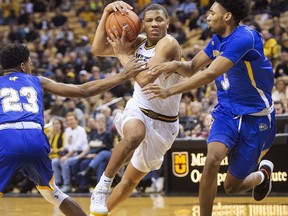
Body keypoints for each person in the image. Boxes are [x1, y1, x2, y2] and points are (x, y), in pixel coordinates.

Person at [142, 1, 276, 215]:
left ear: (227, 16)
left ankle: (263, 175)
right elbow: (192, 68)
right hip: (226, 113)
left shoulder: (245, 38)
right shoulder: (216, 39)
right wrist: (176, 65)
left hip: (256, 117)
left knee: (232, 186)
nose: (207, 17)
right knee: (212, 159)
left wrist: (169, 91)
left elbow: (209, 74)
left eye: (212, 13)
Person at [0, 43, 145, 216]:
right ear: (23, 66)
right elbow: (83, 90)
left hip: (6, 137)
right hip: (35, 139)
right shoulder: (39, 81)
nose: (31, 66)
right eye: (30, 63)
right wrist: (122, 76)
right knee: (54, 194)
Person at [89, 2, 183, 215]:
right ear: (141, 25)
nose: (155, 24)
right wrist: (106, 13)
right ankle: (102, 187)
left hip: (165, 124)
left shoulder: (169, 44)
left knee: (129, 183)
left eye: (159, 19)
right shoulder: (137, 43)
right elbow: (97, 49)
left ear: (168, 22)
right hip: (139, 108)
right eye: (149, 20)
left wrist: (122, 54)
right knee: (135, 135)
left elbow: (143, 79)